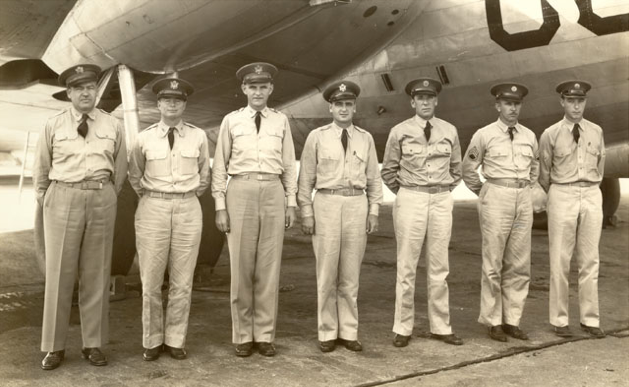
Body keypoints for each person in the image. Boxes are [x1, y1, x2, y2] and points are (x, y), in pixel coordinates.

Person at [33, 64, 128, 370]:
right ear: (69, 93)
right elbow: (41, 170)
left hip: (101, 196)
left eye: (91, 88)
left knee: (96, 273)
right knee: (59, 274)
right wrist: (49, 200)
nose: (86, 93)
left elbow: (121, 167)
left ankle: (93, 343)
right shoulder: (54, 124)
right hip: (63, 196)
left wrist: (107, 193)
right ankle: (54, 347)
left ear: (96, 92)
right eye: (79, 88)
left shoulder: (113, 125)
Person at [212, 62, 297, 357]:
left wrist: (290, 202)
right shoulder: (231, 121)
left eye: (263, 86)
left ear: (271, 89)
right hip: (241, 190)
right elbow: (220, 166)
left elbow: (288, 165)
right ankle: (242, 334)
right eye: (253, 86)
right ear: (244, 89)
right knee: (241, 266)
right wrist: (220, 206)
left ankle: (264, 334)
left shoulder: (280, 121)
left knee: (268, 267)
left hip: (273, 189)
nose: (258, 91)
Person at [128, 77, 210, 361]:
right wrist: (156, 197)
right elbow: (135, 175)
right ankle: (151, 341)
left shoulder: (198, 136)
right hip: (153, 207)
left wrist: (183, 196)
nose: (172, 104)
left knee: (182, 281)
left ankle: (175, 340)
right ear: (159, 104)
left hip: (188, 207)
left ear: (184, 105)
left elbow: (204, 176)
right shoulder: (144, 137)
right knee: (150, 280)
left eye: (178, 100)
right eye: (167, 100)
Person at [297, 81, 382, 353]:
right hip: (326, 203)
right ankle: (326, 332)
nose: (344, 109)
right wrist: (307, 213)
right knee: (326, 273)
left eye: (348, 104)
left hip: (357, 203)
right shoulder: (317, 137)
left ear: (354, 107)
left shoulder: (365, 138)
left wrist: (374, 211)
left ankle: (349, 331)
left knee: (350, 274)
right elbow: (305, 180)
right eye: (339, 104)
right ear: (330, 107)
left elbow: (374, 179)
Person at [381, 78, 463, 348]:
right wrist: (408, 192)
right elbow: (388, 171)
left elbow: (456, 170)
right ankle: (403, 327)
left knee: (440, 267)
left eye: (430, 97)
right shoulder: (399, 131)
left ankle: (441, 326)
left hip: (440, 198)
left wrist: (440, 190)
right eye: (420, 98)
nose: (425, 102)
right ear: (412, 102)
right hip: (411, 197)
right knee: (407, 266)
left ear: (436, 101)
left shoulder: (449, 130)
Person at [461, 83, 539, 342]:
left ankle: (512, 320)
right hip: (496, 195)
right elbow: (468, 169)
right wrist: (485, 193)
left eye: (516, 103)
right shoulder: (484, 134)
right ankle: (493, 321)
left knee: (519, 263)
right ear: (498, 106)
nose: (512, 108)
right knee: (493, 263)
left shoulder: (529, 135)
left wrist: (526, 188)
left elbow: (535, 167)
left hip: (522, 196)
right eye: (507, 103)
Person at [539, 81, 606, 339]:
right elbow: (544, 172)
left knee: (590, 259)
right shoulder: (550, 134)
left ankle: (590, 319)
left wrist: (589, 187)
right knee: (560, 259)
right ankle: (559, 319)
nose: (576, 106)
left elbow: (601, 165)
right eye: (571, 100)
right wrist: (558, 190)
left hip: (590, 192)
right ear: (562, 102)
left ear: (585, 102)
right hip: (562, 192)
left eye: (580, 101)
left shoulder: (596, 131)